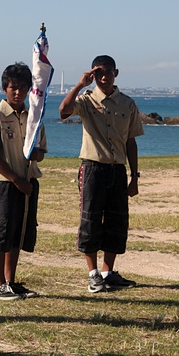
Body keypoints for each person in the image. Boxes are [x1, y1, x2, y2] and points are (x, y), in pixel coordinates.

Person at [59, 55, 143, 293]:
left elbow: (131, 142)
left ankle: (108, 272)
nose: (104, 77)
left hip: (117, 169)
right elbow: (64, 111)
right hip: (93, 168)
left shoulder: (128, 104)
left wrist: (134, 177)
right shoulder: (85, 100)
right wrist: (79, 85)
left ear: (117, 73)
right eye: (99, 73)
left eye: (108, 72)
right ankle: (92, 273)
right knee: (90, 220)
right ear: (93, 75)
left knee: (117, 221)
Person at [0, 63, 46, 300]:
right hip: (7, 184)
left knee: (19, 233)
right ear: (5, 89)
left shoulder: (34, 117)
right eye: (13, 88)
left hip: (28, 182)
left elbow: (40, 151)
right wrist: (16, 180)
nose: (18, 93)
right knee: (0, 233)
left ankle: (11, 281)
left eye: (23, 88)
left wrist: (36, 153)